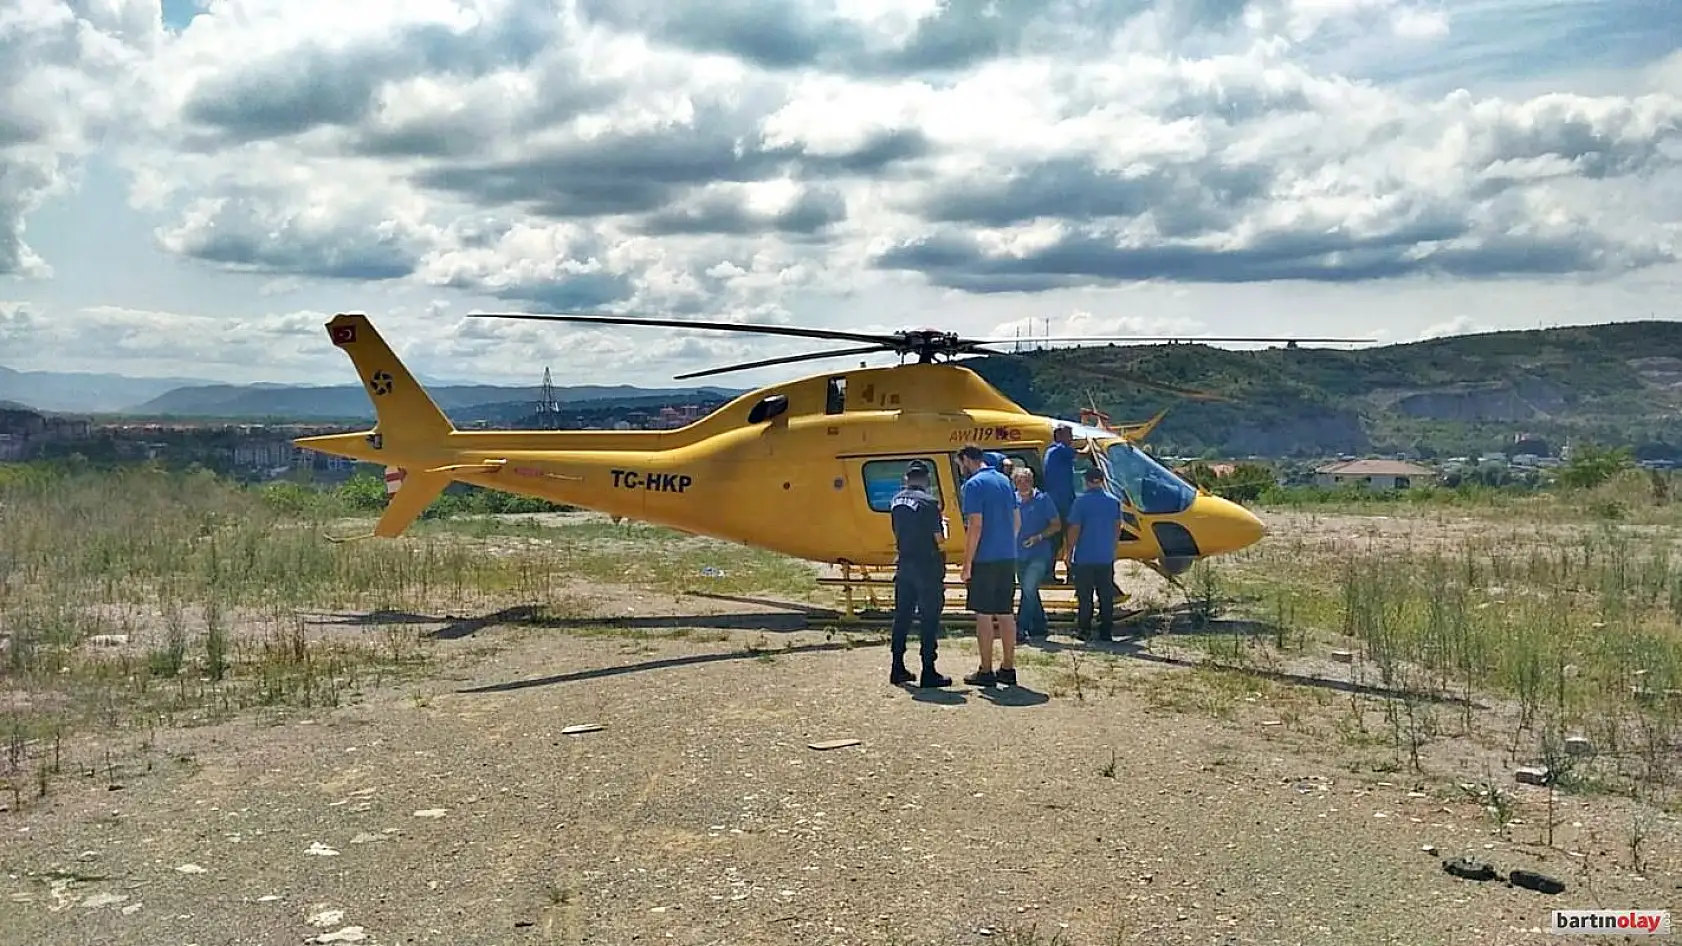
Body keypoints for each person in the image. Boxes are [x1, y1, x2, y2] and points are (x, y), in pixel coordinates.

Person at [956, 444, 1019, 686]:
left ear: (966, 459)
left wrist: (967, 563)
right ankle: (1008, 667)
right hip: (1007, 556)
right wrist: (1007, 543)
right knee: (1005, 613)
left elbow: (975, 525)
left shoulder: (973, 485)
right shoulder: (1004, 481)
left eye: (960, 464)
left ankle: (986, 670)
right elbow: (1016, 520)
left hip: (984, 558)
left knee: (983, 614)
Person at [888, 460, 952, 688]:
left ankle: (897, 666)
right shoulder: (929, 502)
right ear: (926, 479)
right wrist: (944, 525)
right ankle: (928, 669)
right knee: (929, 617)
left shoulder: (896, 501)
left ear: (906, 478)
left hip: (904, 562)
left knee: (902, 616)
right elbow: (939, 538)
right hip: (926, 565)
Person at [1064, 465, 1123, 642]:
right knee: (1105, 595)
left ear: (1086, 481)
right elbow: (1117, 527)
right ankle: (1106, 631)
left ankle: (1084, 630)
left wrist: (1068, 551)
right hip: (1105, 556)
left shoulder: (1081, 502)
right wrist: (1112, 547)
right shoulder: (1113, 501)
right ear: (1102, 480)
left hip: (1085, 556)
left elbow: (1075, 528)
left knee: (1085, 596)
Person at [1012, 466, 1059, 642]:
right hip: (1018, 553)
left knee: (1029, 588)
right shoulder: (1012, 500)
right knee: (1029, 589)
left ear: (1032, 481)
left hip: (1039, 552)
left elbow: (1056, 524)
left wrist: (1039, 537)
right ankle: (1040, 625)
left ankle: (1021, 627)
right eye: (1019, 481)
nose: (1023, 484)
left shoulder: (1043, 499)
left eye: (1026, 480)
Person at [1042, 425, 1076, 580]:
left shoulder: (1051, 452)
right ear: (1060, 436)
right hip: (1062, 502)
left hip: (1057, 501)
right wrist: (1091, 444)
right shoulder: (1059, 450)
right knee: (1070, 537)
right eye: (1069, 435)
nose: (1072, 439)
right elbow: (1082, 454)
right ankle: (1070, 573)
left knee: (1056, 539)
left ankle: (1050, 572)